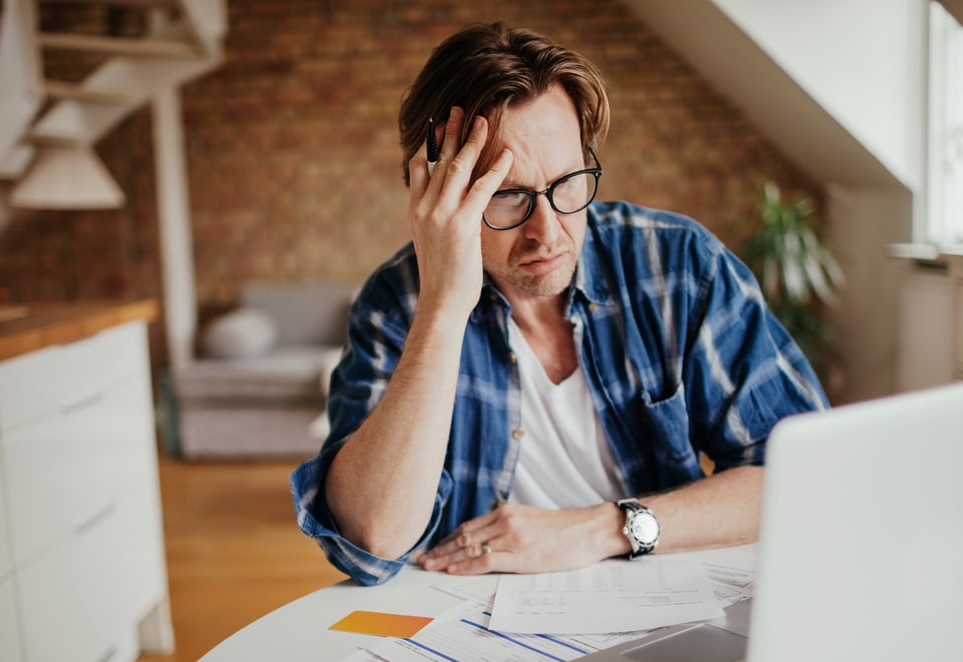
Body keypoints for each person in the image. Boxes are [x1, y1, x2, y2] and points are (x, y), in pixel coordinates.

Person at [290, 22, 827, 586]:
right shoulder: (397, 305)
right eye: (508, 196)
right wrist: (443, 311)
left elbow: (804, 476)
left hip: (664, 603)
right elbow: (370, 542)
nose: (548, 233)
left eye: (569, 181)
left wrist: (601, 528)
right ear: (437, 195)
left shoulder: (678, 267)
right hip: (472, 629)